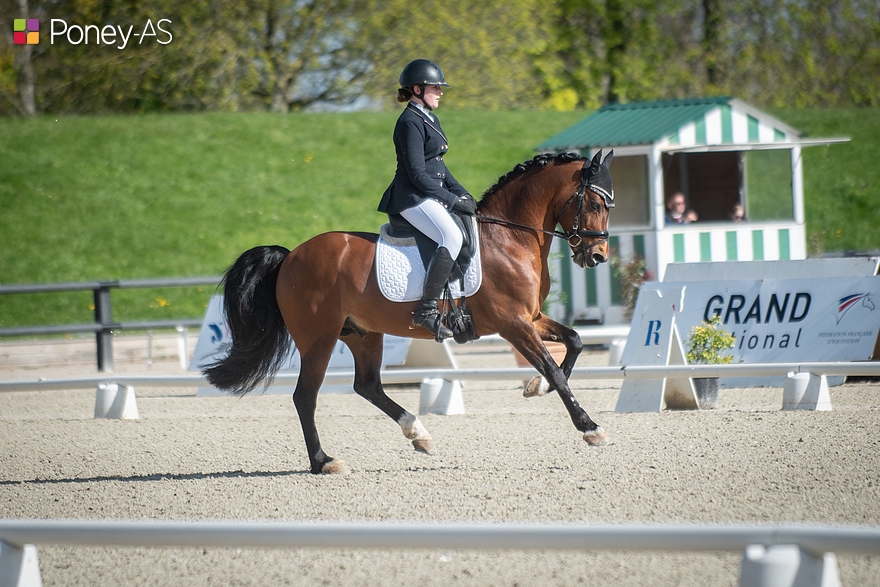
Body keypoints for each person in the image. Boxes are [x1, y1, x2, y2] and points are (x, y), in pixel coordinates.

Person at [378, 59, 477, 340]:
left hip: (427, 193)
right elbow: (418, 174)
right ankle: (426, 309)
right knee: (452, 237)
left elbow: (439, 167)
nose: (440, 92)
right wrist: (450, 200)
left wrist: (461, 192)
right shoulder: (409, 121)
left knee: (466, 228)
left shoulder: (429, 118)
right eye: (436, 87)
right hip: (410, 197)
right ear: (418, 89)